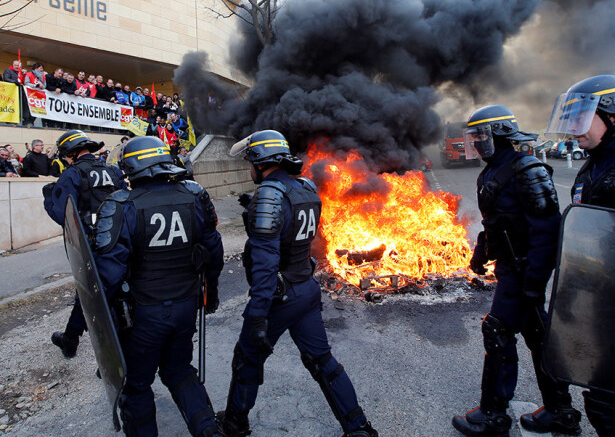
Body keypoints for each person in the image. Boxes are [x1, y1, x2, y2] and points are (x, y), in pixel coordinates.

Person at [217, 130, 377, 437]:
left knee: (247, 358)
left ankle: (234, 423)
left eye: (250, 162)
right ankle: (358, 428)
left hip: (278, 297)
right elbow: (296, 227)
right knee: (323, 362)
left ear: (260, 162)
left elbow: (265, 264)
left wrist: (258, 314)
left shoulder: (268, 195)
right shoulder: (304, 188)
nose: (249, 168)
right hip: (306, 288)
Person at [452, 105, 581, 437]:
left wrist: (535, 282)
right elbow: (495, 223)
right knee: (539, 337)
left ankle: (493, 415)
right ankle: (561, 411)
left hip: (523, 271)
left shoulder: (528, 169)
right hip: (510, 268)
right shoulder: (494, 170)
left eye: (482, 136)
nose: (478, 143)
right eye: (474, 137)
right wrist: (480, 254)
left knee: (496, 331)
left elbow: (547, 230)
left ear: (499, 134)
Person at [545, 74, 615, 436]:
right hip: (609, 303)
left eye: (582, 118)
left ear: (613, 116)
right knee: (609, 402)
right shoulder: (593, 164)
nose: (574, 129)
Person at [93, 136, 224, 437]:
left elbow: (108, 276)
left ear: (132, 166)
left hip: (143, 314)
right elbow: (213, 252)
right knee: (180, 371)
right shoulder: (194, 194)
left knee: (136, 385)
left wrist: (102, 323)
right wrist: (210, 294)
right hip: (186, 305)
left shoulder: (121, 204)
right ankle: (209, 431)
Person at [44, 130, 126, 358]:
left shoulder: (72, 175)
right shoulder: (113, 171)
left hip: (93, 246)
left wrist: (49, 197)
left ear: (70, 154)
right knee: (103, 292)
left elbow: (62, 214)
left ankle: (115, 356)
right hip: (120, 240)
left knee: (95, 294)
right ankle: (71, 338)